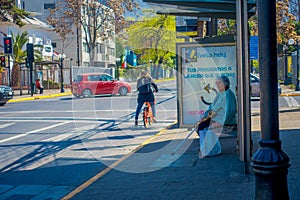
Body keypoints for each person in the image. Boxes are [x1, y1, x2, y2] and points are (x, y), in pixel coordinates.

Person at [198, 76, 237, 157]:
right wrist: (205, 116)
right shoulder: (220, 93)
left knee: (205, 128)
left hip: (224, 120)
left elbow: (229, 112)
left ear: (225, 84)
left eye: (219, 83)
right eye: (216, 83)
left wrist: (220, 123)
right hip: (216, 118)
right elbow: (212, 107)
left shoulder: (228, 95)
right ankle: (208, 147)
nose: (217, 85)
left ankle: (210, 149)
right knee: (201, 126)